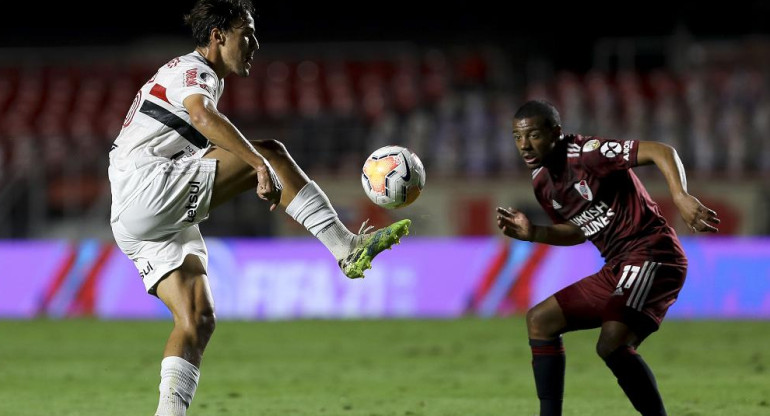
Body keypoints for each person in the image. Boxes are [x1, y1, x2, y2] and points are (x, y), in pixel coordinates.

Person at [108, 1, 410, 415]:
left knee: (196, 319)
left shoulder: (189, 73)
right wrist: (255, 165)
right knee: (270, 154)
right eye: (245, 33)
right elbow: (201, 115)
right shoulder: (193, 72)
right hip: (147, 188)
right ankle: (345, 246)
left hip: (135, 215)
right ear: (218, 36)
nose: (254, 42)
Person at [496, 100, 719, 416]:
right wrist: (534, 232)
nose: (524, 145)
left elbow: (661, 150)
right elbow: (577, 230)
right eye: (517, 137)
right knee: (540, 320)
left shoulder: (588, 153)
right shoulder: (542, 183)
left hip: (652, 252)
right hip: (617, 266)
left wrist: (680, 196)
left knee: (612, 343)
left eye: (533, 135)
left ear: (556, 132)